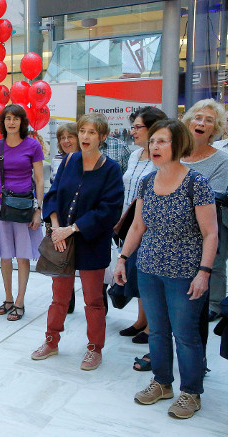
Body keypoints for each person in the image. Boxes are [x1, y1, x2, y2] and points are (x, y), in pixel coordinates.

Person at [114, 119, 217, 420]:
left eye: (162, 141)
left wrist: (204, 272)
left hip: (185, 273)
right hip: (149, 268)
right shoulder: (147, 181)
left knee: (185, 335)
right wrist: (122, 258)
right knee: (157, 331)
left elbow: (211, 233)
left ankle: (191, 392)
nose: (154, 146)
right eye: (153, 141)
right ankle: (162, 382)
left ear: (178, 144)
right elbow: (137, 226)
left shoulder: (196, 183)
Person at [31, 113, 124, 371]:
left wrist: (71, 229)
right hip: (62, 241)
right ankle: (51, 342)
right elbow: (53, 195)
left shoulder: (111, 169)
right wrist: (57, 228)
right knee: (59, 297)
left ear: (102, 137)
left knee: (93, 300)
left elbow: (109, 209)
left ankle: (95, 348)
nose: (85, 136)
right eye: (82, 131)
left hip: (92, 242)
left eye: (92, 132)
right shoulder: (69, 160)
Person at [0, 104, 44, 321]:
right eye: (8, 118)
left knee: (22, 256)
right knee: (5, 255)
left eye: (16, 118)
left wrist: (38, 209)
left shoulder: (33, 145)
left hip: (24, 206)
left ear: (22, 122)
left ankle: (20, 301)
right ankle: (8, 298)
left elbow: (40, 180)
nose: (12, 122)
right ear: (3, 122)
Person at [118, 107, 167, 362]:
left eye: (138, 127)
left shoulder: (162, 159)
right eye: (133, 127)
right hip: (129, 222)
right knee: (136, 274)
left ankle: (152, 327)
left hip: (150, 227)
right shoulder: (135, 155)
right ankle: (140, 320)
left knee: (147, 276)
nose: (133, 131)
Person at [180, 99, 228, 322]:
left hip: (212, 218)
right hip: (177, 224)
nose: (201, 123)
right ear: (189, 121)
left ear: (214, 129)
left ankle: (214, 303)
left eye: (208, 120)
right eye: (198, 118)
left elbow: (214, 195)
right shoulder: (176, 152)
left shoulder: (222, 159)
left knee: (214, 263)